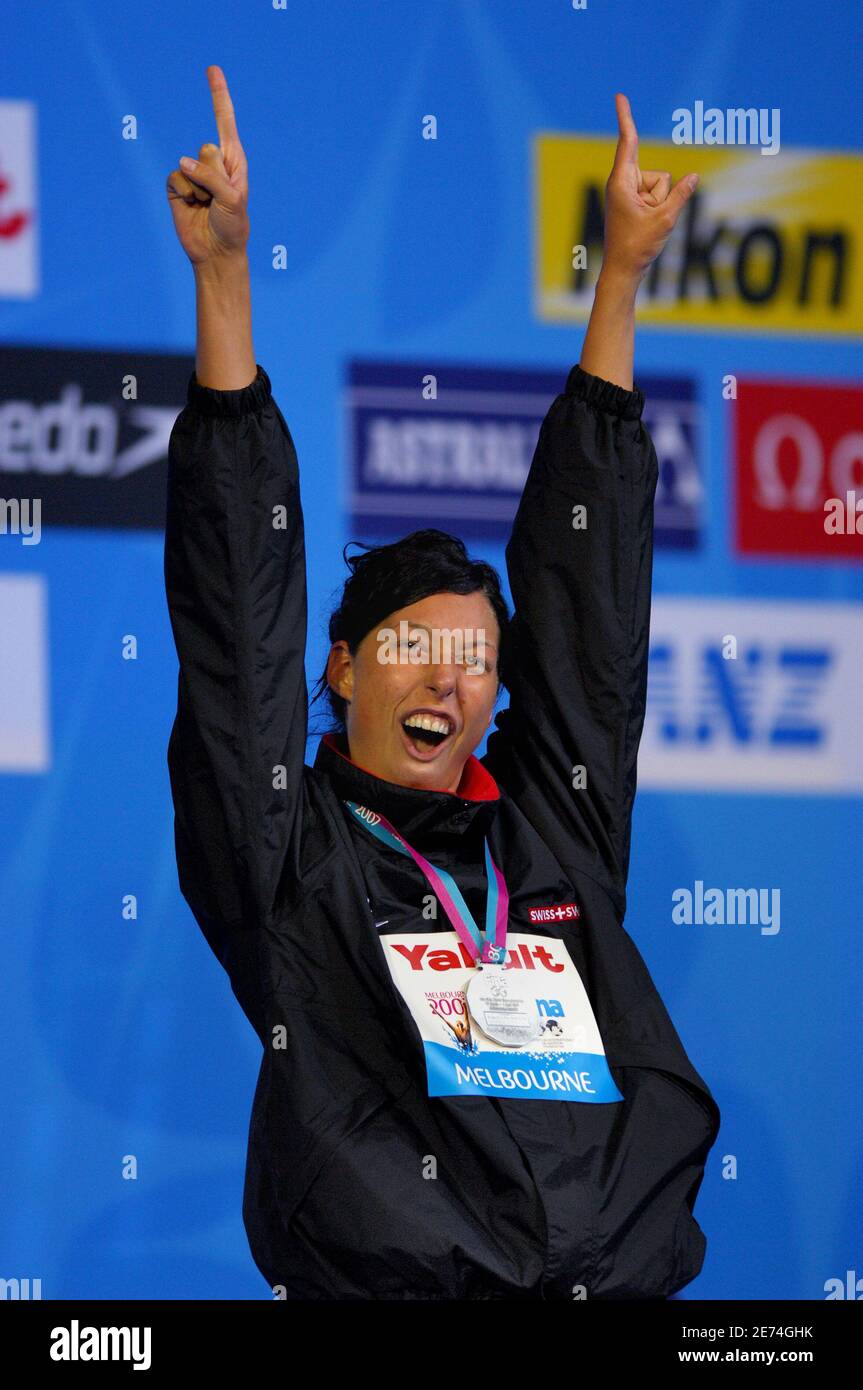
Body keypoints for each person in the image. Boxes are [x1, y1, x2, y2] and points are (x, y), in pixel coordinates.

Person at [164, 66, 719, 1300]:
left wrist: (619, 278)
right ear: (343, 667)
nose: (450, 680)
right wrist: (223, 278)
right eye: (414, 646)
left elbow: (589, 610)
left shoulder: (547, 828)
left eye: (475, 660)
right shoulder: (288, 855)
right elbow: (237, 625)